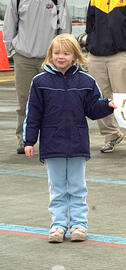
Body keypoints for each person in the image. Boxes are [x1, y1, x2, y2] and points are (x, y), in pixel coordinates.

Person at [23, 34, 117, 243]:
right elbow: (33, 114)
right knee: (56, 188)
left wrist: (107, 105)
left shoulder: (86, 81)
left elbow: (92, 108)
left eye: (66, 53)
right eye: (57, 53)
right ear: (50, 55)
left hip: (77, 144)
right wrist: (29, 141)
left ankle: (78, 225)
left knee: (77, 187)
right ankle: (57, 225)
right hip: (51, 144)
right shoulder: (39, 82)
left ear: (75, 55)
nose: (61, 57)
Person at [3, 0, 72, 154]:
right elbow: (9, 24)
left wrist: (61, 53)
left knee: (55, 101)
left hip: (49, 59)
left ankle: (55, 138)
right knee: (24, 100)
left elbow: (64, 27)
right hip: (24, 58)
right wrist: (13, 50)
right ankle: (24, 139)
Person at [85, 0, 126, 155]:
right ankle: (110, 135)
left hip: (120, 54)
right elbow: (90, 23)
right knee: (99, 98)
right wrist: (90, 45)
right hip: (95, 55)